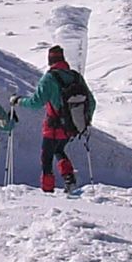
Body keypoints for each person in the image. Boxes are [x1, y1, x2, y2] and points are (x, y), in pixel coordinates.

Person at [11, 45, 96, 193]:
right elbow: (92, 102)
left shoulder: (50, 78)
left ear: (50, 60)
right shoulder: (76, 77)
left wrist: (18, 101)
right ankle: (69, 178)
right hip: (72, 126)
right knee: (59, 149)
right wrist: (85, 120)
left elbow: (36, 103)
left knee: (46, 157)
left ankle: (47, 190)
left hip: (53, 126)